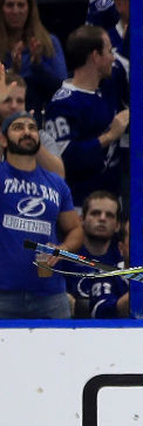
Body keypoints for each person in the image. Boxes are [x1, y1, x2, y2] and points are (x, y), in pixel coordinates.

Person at [0, 110, 82, 319]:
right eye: (18, 127)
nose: (27, 132)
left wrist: (61, 249)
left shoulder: (56, 184)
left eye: (32, 128)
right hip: (4, 293)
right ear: (3, 139)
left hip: (50, 295)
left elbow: (75, 229)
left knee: (62, 351)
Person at [41, 25, 124, 205]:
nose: (112, 58)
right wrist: (109, 136)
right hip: (79, 205)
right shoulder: (62, 104)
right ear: (96, 56)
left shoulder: (107, 88)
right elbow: (64, 158)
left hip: (112, 201)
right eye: (109, 51)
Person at [0, 0, 67, 115]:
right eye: (9, 5)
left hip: (39, 121)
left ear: (29, 9)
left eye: (21, 5)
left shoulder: (48, 42)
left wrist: (38, 65)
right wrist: (13, 71)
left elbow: (60, 89)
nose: (15, 11)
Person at [62, 190, 123, 319]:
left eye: (109, 215)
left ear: (117, 225)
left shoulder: (123, 260)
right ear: (81, 220)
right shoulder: (65, 258)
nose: (102, 218)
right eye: (95, 213)